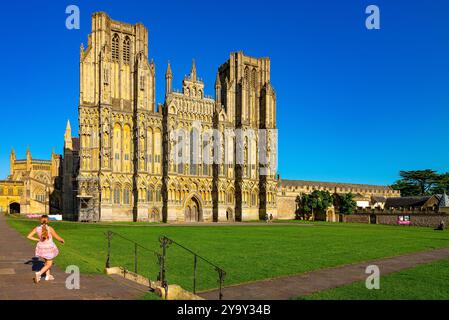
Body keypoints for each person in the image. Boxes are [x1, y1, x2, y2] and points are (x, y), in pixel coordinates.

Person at [27, 215, 65, 283]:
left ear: (40, 221)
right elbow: (56, 236)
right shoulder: (50, 228)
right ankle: (39, 273)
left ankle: (48, 276)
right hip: (49, 248)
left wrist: (38, 239)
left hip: (41, 247)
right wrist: (61, 240)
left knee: (46, 262)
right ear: (48, 221)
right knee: (49, 264)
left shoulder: (37, 228)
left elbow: (29, 236)